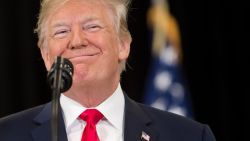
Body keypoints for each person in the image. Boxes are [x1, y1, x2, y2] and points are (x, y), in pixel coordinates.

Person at [0, 0, 216, 141]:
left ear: (123, 44)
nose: (76, 41)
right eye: (61, 31)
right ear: (46, 56)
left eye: (92, 26)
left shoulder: (190, 136)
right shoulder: (6, 134)